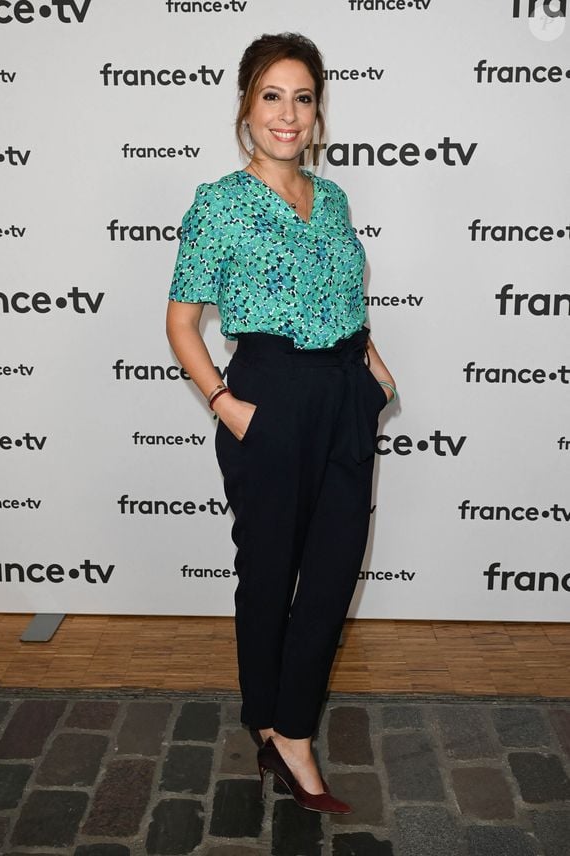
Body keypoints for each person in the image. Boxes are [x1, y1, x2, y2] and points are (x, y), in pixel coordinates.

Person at [166, 32, 397, 815]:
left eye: (302, 97)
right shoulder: (219, 203)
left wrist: (373, 364)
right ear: (245, 106)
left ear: (317, 110)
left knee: (333, 573)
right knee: (268, 574)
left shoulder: (331, 199)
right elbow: (181, 324)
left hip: (344, 390)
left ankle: (286, 726)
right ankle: (275, 724)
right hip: (267, 393)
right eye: (272, 96)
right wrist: (225, 405)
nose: (288, 114)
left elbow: (344, 294)